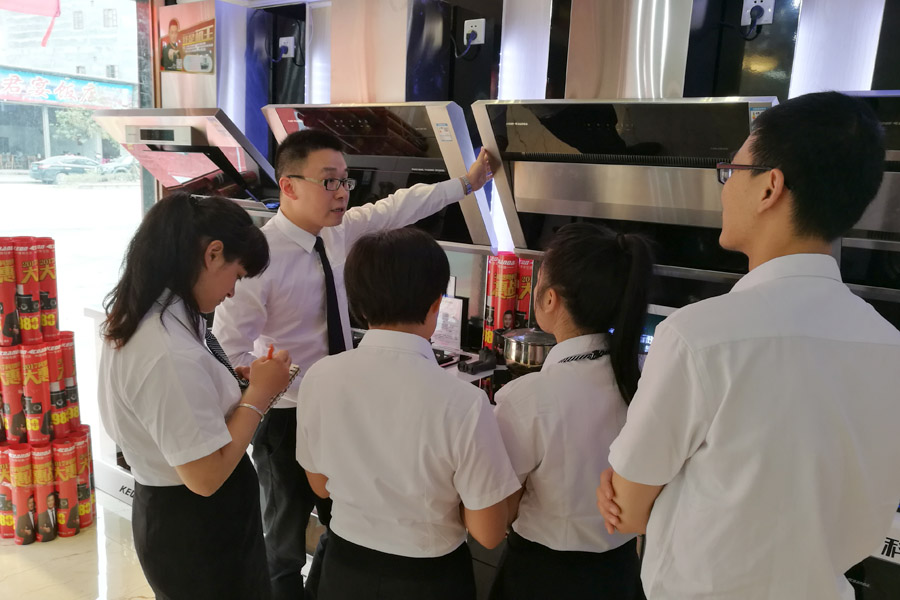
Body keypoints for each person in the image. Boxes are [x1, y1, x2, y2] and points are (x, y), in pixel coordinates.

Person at [596, 91, 900, 599]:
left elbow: (625, 511)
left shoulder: (697, 337)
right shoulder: (890, 348)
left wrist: (642, 489)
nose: (725, 187)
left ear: (769, 188)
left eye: (731, 171)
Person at [213, 129, 494, 599]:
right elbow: (229, 353)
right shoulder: (261, 259)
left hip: (346, 404)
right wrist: (298, 385)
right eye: (329, 181)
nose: (342, 192)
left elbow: (399, 207)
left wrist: (466, 184)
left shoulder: (339, 232)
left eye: (346, 180)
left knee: (345, 526)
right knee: (282, 542)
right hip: (286, 416)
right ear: (289, 186)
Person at [295, 228, 520, 599]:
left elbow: (320, 485)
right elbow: (489, 532)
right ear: (436, 305)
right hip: (429, 580)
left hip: (344, 568)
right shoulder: (464, 402)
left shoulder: (319, 377)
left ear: (358, 306)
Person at [98, 192, 292, 600]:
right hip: (198, 529)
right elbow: (204, 477)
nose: (232, 292)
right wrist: (259, 396)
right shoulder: (166, 351)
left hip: (194, 519)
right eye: (237, 275)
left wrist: (228, 384)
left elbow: (184, 403)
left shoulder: (159, 314)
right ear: (213, 254)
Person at [491, 223, 651, 600]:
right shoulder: (645, 380)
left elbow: (499, 514)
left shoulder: (528, 398)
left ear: (550, 300)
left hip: (542, 578)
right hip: (620, 574)